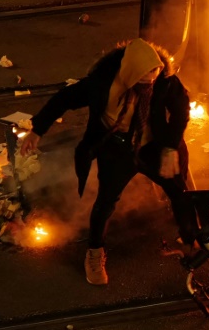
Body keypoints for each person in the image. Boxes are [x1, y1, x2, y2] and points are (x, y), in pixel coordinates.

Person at [20, 38, 196, 286]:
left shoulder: (165, 81)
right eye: (144, 76)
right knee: (105, 202)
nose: (150, 80)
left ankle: (190, 240)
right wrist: (37, 130)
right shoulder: (102, 83)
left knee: (179, 192)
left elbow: (181, 109)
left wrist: (170, 147)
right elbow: (64, 99)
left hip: (155, 146)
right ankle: (94, 253)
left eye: (154, 73)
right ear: (130, 72)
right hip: (117, 147)